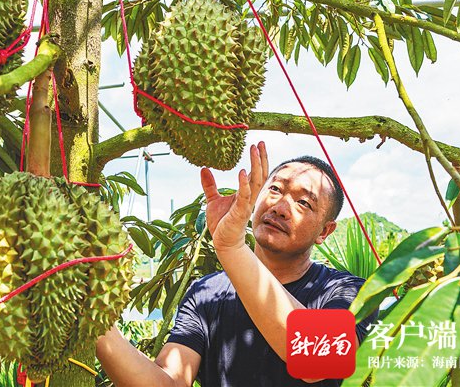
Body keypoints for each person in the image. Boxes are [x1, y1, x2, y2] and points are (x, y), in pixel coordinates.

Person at [96, 142, 379, 386]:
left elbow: (318, 358)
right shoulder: (206, 293)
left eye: (304, 203)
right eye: (276, 189)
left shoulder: (348, 292)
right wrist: (93, 321)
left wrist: (231, 248)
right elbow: (167, 383)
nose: (280, 207)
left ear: (325, 232)